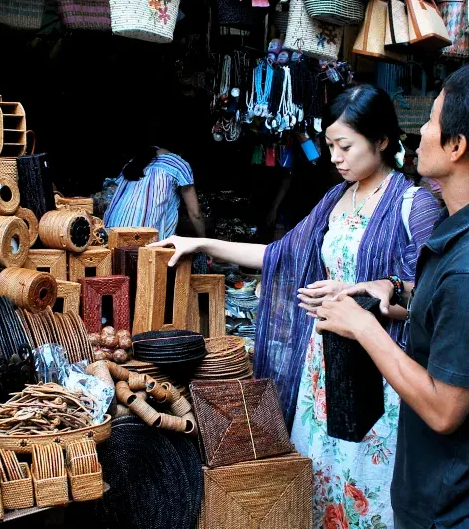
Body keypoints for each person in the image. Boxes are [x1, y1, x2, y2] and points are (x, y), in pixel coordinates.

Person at [152, 84, 441, 528]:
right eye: (330, 146)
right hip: (322, 369)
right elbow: (278, 255)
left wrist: (358, 294)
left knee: (367, 488)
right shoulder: (336, 199)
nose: (336, 157)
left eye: (345, 146)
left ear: (381, 140)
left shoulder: (413, 205)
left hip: (377, 374)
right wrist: (201, 242)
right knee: (317, 482)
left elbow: (424, 296)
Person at [315, 63, 469, 529]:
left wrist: (362, 327)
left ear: (457, 147)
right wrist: (395, 291)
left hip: (452, 506)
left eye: (433, 121)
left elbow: (444, 410)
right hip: (466, 485)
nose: (419, 132)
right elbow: (452, 312)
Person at [103, 139, 205, 240]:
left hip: (111, 234)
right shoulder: (179, 164)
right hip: (143, 239)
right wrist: (204, 243)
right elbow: (195, 214)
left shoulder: (135, 161)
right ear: (181, 151)